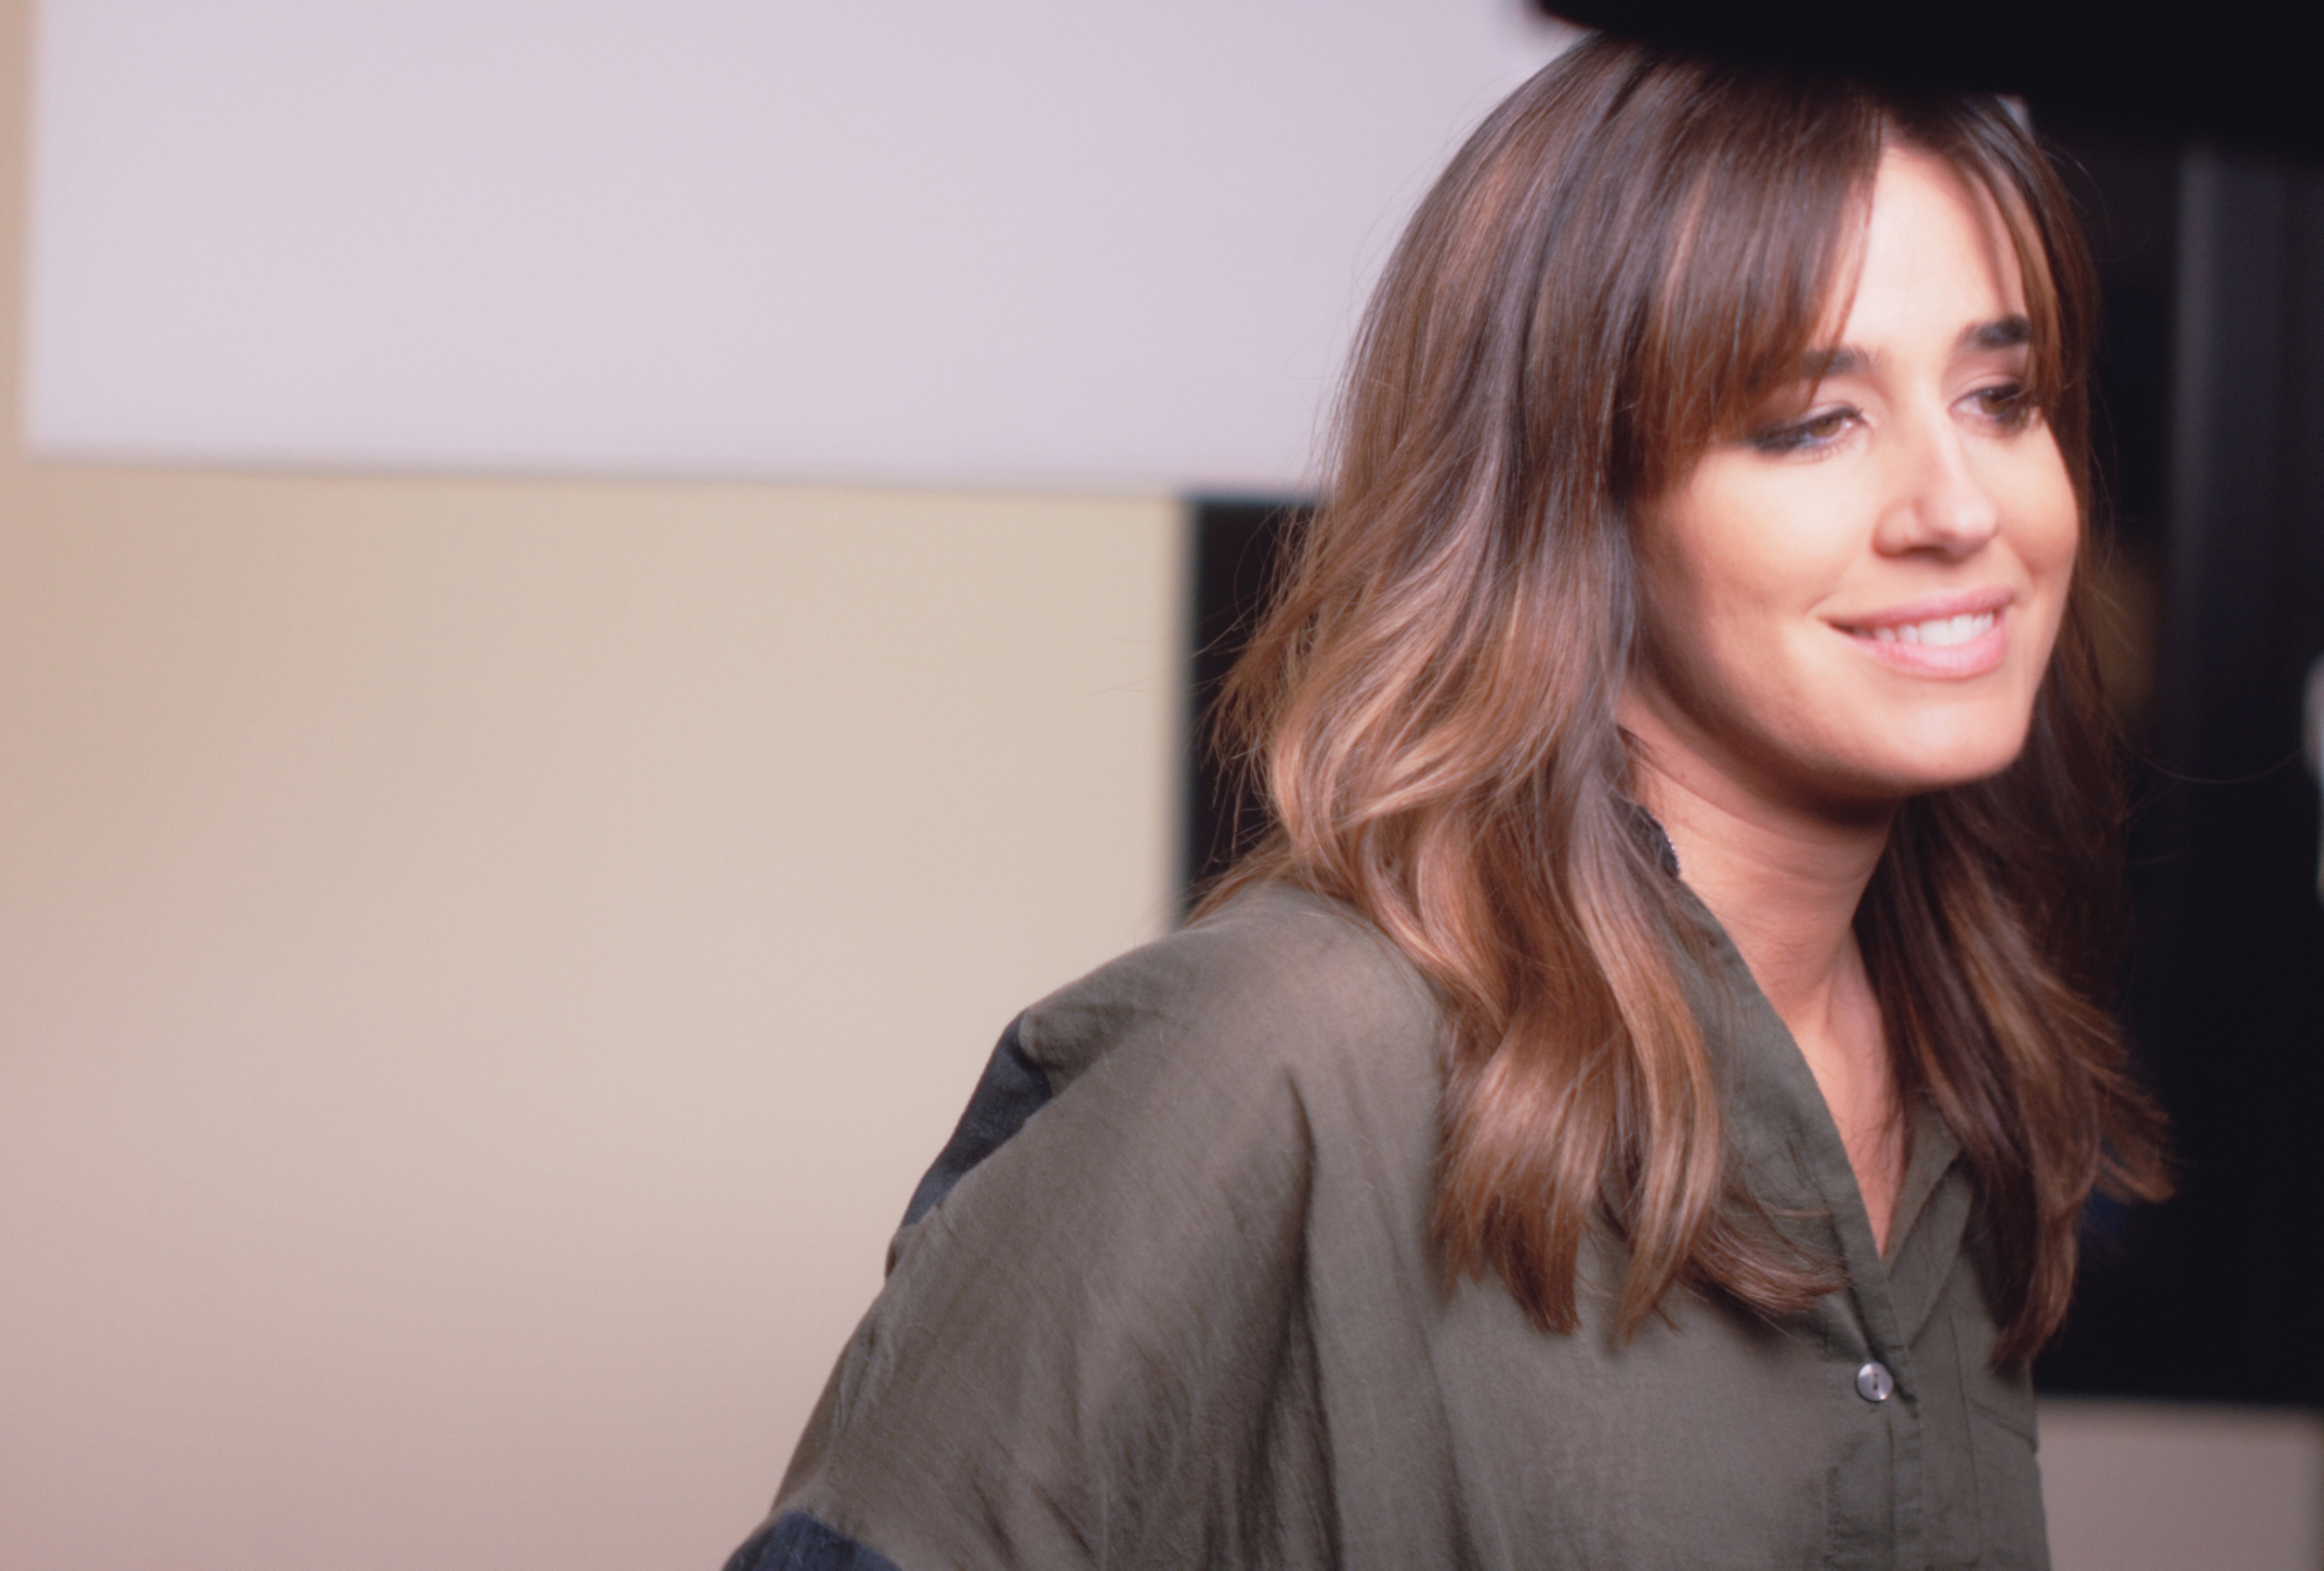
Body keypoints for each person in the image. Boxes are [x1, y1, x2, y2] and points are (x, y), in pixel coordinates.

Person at [724, 34, 2169, 1571]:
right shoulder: (1277, 1055)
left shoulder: (1959, 1071)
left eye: (2002, 397)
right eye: (1811, 422)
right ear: (1574, 491)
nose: (1959, 507)